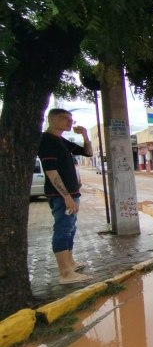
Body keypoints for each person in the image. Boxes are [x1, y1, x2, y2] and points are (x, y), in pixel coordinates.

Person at [38, 108, 94, 285]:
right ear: (51, 119)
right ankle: (65, 273)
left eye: (71, 120)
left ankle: (70, 264)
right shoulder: (47, 140)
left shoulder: (61, 140)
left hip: (71, 193)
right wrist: (66, 196)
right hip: (61, 195)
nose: (70, 122)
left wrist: (85, 135)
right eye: (65, 119)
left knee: (70, 228)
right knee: (63, 228)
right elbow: (51, 171)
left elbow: (88, 153)